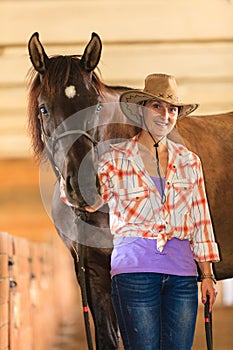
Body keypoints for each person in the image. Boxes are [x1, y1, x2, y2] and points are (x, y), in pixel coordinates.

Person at [85, 73, 220, 350]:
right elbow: (90, 200)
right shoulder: (114, 158)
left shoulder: (189, 161)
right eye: (157, 106)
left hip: (182, 277)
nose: (165, 115)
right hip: (134, 274)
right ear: (141, 110)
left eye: (172, 109)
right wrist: (73, 177)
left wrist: (207, 275)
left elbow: (200, 220)